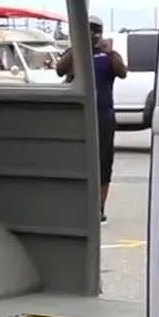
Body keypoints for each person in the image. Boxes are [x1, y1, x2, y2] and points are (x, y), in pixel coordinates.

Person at [56, 15, 127, 224]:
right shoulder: (74, 53)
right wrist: (78, 48)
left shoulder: (108, 55)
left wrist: (109, 51)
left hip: (103, 117)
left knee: (104, 164)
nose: (92, 35)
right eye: (88, 31)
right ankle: (77, 204)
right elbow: (60, 70)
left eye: (96, 31)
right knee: (77, 161)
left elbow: (122, 72)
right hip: (78, 116)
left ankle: (99, 208)